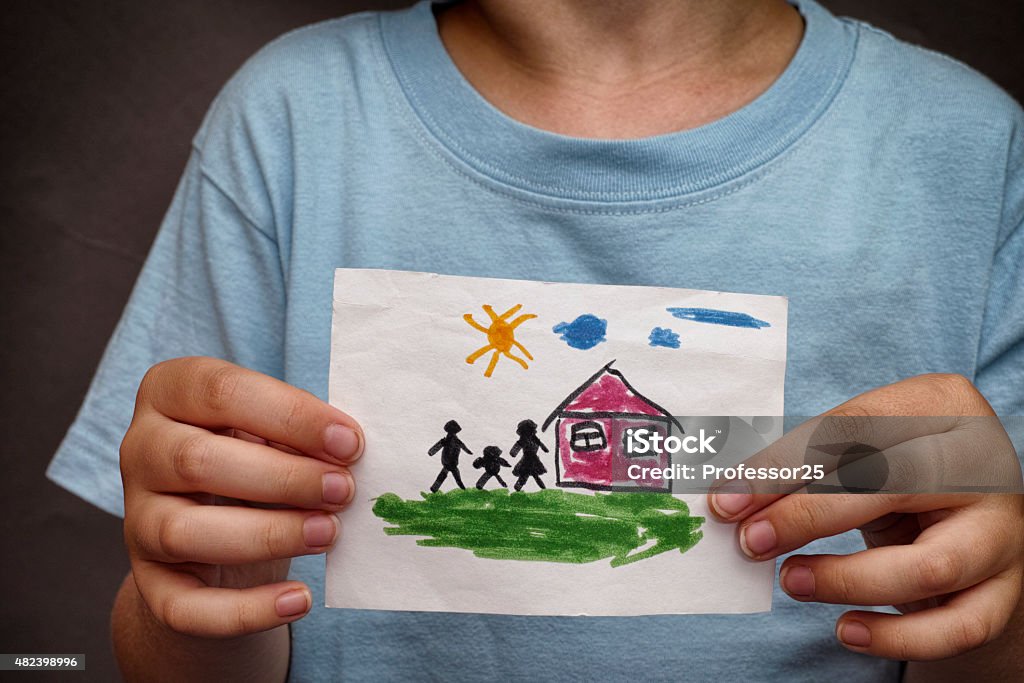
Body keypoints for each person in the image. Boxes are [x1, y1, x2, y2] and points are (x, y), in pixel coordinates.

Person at [45, 0, 1024, 681]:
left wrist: (991, 618)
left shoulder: (971, 156)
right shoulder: (287, 123)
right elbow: (183, 631)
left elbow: (990, 636)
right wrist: (202, 594)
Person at [428, 419, 472, 492]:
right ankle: (463, 489)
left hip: (447, 461)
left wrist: (431, 452)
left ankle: (434, 488)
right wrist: (468, 451)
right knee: (456, 476)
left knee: (444, 475)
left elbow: (439, 445)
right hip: (452, 462)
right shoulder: (454, 440)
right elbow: (463, 446)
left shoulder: (448, 439)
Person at [509, 419, 549, 491]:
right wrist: (513, 453)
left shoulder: (534, 438)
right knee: (527, 474)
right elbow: (515, 450)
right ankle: (518, 487)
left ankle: (543, 488)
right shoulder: (524, 439)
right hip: (527, 459)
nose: (532, 431)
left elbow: (541, 444)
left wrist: (544, 448)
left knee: (532, 474)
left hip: (533, 459)